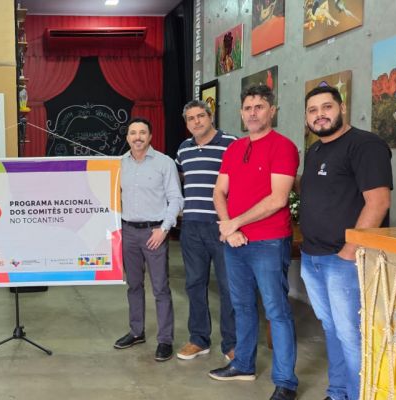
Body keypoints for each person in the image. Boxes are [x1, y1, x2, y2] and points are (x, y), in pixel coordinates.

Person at [300, 85, 392, 400]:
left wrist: (350, 251)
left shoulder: (365, 145)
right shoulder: (315, 151)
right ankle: (338, 392)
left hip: (345, 259)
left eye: (327, 107)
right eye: (312, 110)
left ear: (342, 108)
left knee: (352, 335)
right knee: (332, 329)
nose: (320, 115)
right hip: (313, 257)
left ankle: (357, 395)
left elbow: (378, 202)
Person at [209, 84, 299, 400]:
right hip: (235, 243)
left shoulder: (283, 147)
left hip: (269, 242)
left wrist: (235, 223)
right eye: (247, 108)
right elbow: (219, 192)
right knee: (242, 306)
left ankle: (285, 382)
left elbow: (278, 199)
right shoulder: (234, 149)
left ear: (272, 111)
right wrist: (229, 228)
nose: (253, 113)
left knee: (276, 311)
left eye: (259, 107)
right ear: (241, 112)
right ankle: (243, 364)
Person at [114, 117, 183, 362]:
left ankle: (165, 340)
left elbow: (176, 199)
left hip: (155, 232)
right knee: (133, 285)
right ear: (127, 137)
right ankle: (136, 332)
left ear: (150, 136)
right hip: (128, 233)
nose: (138, 137)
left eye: (142, 132)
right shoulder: (118, 164)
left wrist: (164, 229)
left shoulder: (165, 163)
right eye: (133, 133)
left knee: (160, 288)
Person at [175, 101, 237, 362]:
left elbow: (241, 183)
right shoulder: (183, 149)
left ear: (211, 117)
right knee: (194, 284)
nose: (196, 122)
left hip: (221, 226)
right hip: (191, 226)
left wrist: (231, 223)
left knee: (228, 286)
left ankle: (232, 343)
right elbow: (179, 180)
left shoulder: (231, 143)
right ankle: (199, 339)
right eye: (191, 118)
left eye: (201, 116)